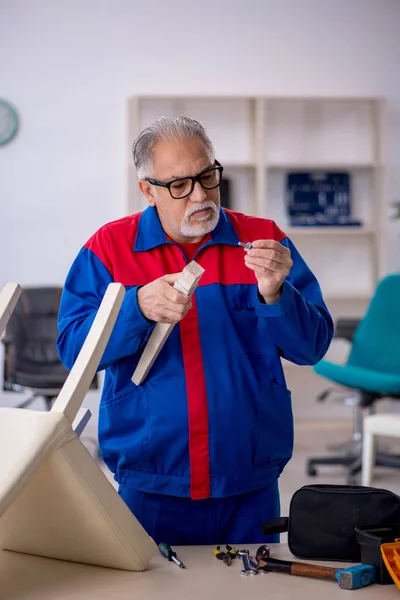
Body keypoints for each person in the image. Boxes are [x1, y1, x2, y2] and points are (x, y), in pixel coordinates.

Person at [57, 116, 333, 546]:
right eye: (179, 185)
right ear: (147, 189)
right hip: (152, 479)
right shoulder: (108, 249)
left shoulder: (264, 240)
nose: (201, 195)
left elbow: (312, 347)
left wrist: (276, 295)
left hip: (249, 479)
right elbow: (73, 351)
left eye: (207, 175)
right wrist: (135, 308)